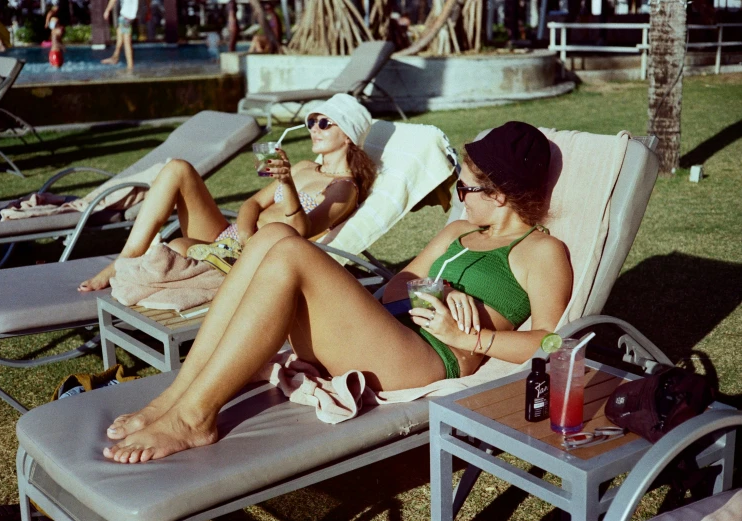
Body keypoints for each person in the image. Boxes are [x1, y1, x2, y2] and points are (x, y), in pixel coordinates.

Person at [101, 121, 573, 464]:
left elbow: (553, 343)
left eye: (467, 187)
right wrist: (441, 290)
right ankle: (177, 398)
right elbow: (396, 285)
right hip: (385, 329)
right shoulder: (456, 233)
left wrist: (470, 338)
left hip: (428, 357)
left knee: (290, 252)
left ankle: (195, 418)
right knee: (270, 238)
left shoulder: (542, 253)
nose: (457, 196)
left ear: (501, 195)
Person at [78, 93, 377, 292]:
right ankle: (126, 256)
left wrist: (284, 185)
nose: (314, 129)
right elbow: (251, 203)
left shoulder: (343, 190)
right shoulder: (303, 166)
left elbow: (302, 232)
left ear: (348, 135)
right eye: (312, 122)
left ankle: (150, 264)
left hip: (246, 258)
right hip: (231, 237)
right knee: (177, 169)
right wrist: (245, 233)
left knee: (178, 246)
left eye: (324, 123)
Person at [101, 0, 138, 70]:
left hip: (126, 16)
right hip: (130, 15)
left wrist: (107, 10)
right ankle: (115, 57)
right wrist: (148, 10)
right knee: (120, 36)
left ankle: (130, 65)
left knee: (126, 41)